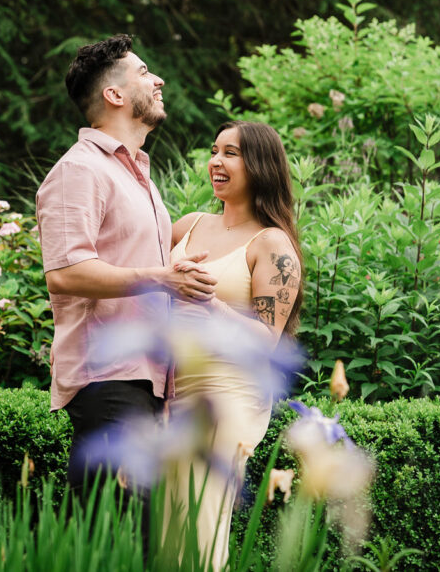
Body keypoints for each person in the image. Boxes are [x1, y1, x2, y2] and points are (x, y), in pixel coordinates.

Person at [35, 34, 217, 503]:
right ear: (114, 95)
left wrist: (172, 268)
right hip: (107, 376)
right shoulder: (80, 171)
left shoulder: (137, 175)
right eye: (143, 72)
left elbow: (126, 264)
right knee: (111, 535)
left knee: (133, 540)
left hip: (146, 376)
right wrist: (161, 278)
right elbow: (65, 273)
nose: (157, 80)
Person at [165, 120, 304, 570]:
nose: (216, 162)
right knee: (166, 534)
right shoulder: (187, 226)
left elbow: (267, 342)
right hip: (168, 389)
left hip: (226, 396)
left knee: (201, 527)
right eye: (214, 150)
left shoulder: (273, 245)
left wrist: (210, 305)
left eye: (231, 153)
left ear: (260, 166)